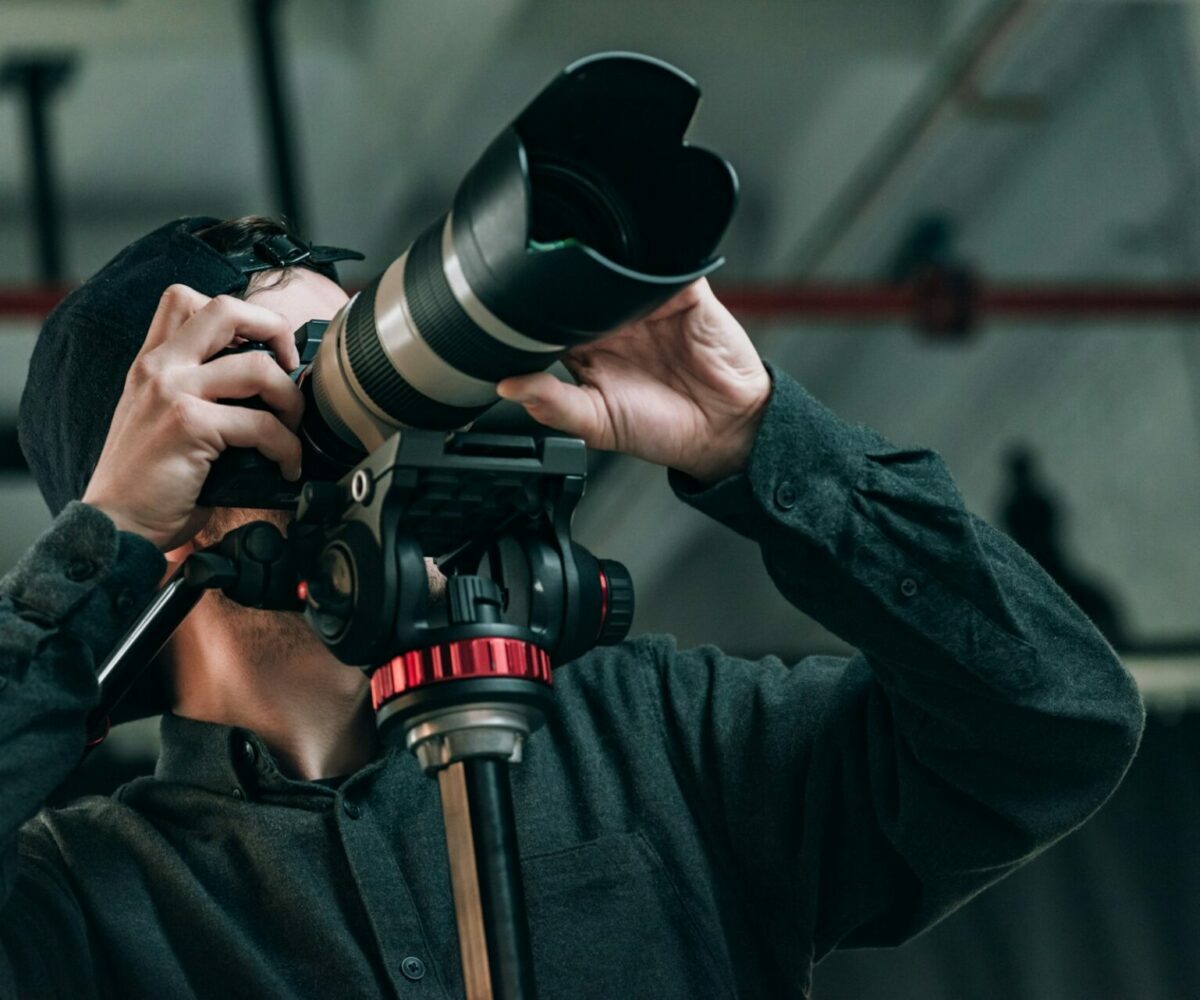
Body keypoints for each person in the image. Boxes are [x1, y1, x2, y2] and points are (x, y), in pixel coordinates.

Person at [0, 216, 1143, 999]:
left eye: (356, 358)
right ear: (178, 484)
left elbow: (1054, 720)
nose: (377, 422)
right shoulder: (88, 899)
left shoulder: (657, 733)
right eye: (291, 383)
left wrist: (764, 441)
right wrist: (100, 549)